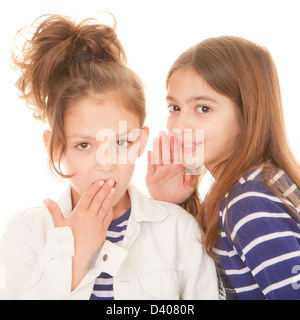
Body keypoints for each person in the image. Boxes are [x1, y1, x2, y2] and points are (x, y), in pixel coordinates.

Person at [0, 14, 218, 300]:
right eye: (83, 145)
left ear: (140, 141)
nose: (105, 163)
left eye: (121, 142)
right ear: (54, 146)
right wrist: (73, 258)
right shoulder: (28, 232)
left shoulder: (179, 229)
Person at [146, 36, 300, 300]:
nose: (180, 126)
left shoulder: (249, 201)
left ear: (248, 114)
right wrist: (172, 206)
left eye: (203, 108)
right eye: (175, 107)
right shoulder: (238, 192)